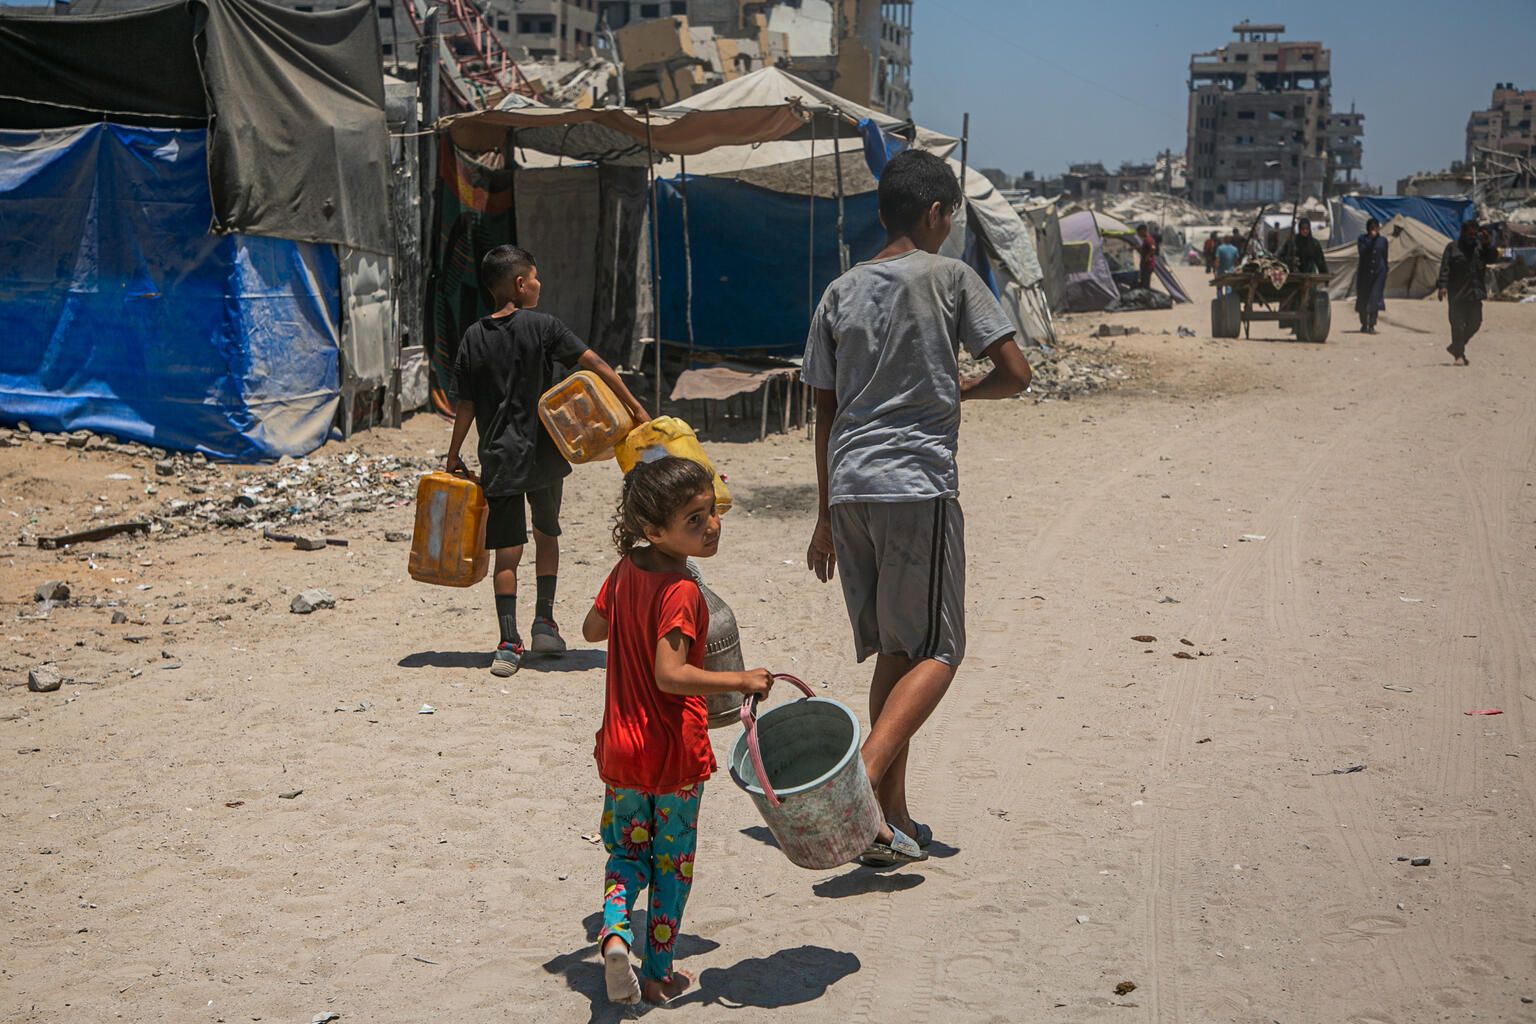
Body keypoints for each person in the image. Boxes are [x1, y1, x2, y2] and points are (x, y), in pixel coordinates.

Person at [802, 149, 1032, 867]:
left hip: (850, 491)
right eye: (952, 218)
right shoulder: (951, 278)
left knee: (895, 651)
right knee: (940, 649)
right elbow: (1016, 373)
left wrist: (821, 515)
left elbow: (824, 409)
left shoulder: (840, 290)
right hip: (916, 486)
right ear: (935, 214)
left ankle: (888, 822)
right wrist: (959, 391)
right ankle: (863, 779)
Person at [582, 457, 773, 1006]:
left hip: (621, 748)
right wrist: (742, 678)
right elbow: (670, 675)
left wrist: (623, 609)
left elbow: (592, 628)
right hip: (672, 755)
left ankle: (616, 934)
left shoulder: (625, 570)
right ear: (653, 530)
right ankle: (658, 971)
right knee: (671, 866)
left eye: (711, 510)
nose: (712, 525)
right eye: (695, 519)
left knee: (624, 854)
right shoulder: (682, 591)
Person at [446, 245, 649, 677]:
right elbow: (597, 367)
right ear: (520, 284)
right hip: (544, 453)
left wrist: (453, 456)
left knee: (506, 554)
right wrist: (636, 408)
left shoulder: (472, 337)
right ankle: (544, 623)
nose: (539, 285)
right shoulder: (544, 327)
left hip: (497, 457)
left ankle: (507, 642)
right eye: (535, 278)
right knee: (547, 535)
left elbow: (464, 405)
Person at [1437, 220, 1500, 366]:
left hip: (1474, 292)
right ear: (1463, 233)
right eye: (1469, 234)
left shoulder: (1481, 247)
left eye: (1474, 234)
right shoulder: (1452, 247)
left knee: (1475, 323)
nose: (1472, 237)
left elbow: (1493, 257)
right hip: (1456, 293)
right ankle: (1459, 355)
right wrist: (1442, 286)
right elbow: (1445, 268)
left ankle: (1456, 347)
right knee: (1457, 324)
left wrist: (1487, 243)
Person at [1354, 217, 1389, 333]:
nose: (1374, 230)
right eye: (1372, 228)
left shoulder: (1383, 241)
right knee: (1363, 299)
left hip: (1379, 273)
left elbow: (1385, 256)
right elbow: (1362, 252)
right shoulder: (1362, 239)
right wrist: (1370, 240)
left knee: (1374, 298)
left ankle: (1372, 324)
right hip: (1365, 274)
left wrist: (1385, 271)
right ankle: (1364, 324)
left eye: (1376, 228)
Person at [1135, 223, 1160, 290]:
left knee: (1145, 284)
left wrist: (1147, 257)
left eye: (1139, 232)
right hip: (1146, 265)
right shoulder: (1146, 239)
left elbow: (1153, 248)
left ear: (1143, 230)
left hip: (1148, 265)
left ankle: (1146, 296)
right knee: (1144, 282)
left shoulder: (1149, 239)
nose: (1139, 234)